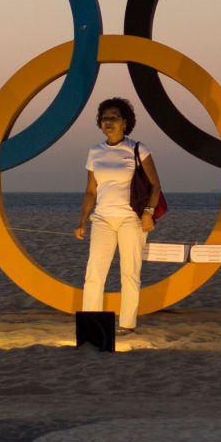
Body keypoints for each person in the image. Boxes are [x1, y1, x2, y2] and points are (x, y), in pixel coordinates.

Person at [75, 96, 166, 335]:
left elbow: (156, 186)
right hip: (102, 219)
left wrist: (147, 213)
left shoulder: (137, 148)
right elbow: (90, 190)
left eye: (114, 118)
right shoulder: (95, 151)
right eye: (104, 118)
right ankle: (91, 327)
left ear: (125, 122)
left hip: (131, 219)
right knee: (94, 273)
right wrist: (82, 220)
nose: (108, 122)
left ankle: (127, 325)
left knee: (130, 273)